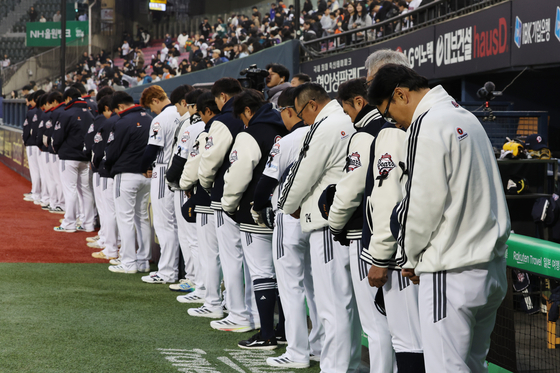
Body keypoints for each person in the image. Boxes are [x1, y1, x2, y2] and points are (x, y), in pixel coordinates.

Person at [368, 64, 510, 372]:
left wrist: (409, 258)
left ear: (400, 94)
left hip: (451, 268)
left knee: (446, 368)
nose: (395, 123)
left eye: (391, 114)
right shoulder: (465, 116)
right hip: (491, 269)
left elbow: (421, 204)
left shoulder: (427, 122)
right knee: (472, 366)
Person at [278, 83, 361, 372]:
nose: (303, 120)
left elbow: (301, 175)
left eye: (303, 113)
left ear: (312, 105)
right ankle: (348, 365)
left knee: (332, 305)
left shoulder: (326, 124)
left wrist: (285, 205)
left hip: (327, 223)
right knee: (346, 305)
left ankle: (336, 369)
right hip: (345, 220)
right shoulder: (343, 119)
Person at [326, 77, 396, 372]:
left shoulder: (365, 133)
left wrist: (333, 223)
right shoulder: (395, 128)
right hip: (398, 237)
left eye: (346, 108)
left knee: (376, 322)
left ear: (358, 102)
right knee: (396, 324)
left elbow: (351, 189)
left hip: (365, 236)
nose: (346, 116)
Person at [360, 49, 425, 373]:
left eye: (374, 83)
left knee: (409, 340)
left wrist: (381, 258)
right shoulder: (437, 118)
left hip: (402, 256)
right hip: (425, 254)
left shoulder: (392, 129)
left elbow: (388, 198)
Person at [253, 88, 324, 367]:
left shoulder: (290, 139)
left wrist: (258, 206)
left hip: (290, 215)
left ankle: (297, 353)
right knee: (318, 288)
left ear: (289, 110)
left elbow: (265, 185)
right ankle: (319, 347)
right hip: (318, 218)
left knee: (291, 286)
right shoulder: (322, 133)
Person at [223, 90, 289, 349]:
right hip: (283, 209)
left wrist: (229, 206)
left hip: (254, 210)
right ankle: (284, 330)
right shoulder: (286, 127)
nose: (242, 122)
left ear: (248, 111)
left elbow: (238, 173)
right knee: (285, 275)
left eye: (242, 116)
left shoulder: (249, 133)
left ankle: (267, 335)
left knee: (262, 273)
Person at [198, 78, 258, 333]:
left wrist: (207, 185)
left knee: (231, 257)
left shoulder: (223, 119)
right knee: (251, 261)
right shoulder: (253, 112)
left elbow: (210, 160)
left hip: (226, 194)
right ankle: (254, 316)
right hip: (252, 195)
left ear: (221, 96)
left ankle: (237, 314)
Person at [179, 91, 224, 312]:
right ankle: (215, 297)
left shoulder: (211, 128)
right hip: (224, 196)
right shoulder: (230, 125)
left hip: (208, 195)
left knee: (209, 251)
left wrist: (190, 186)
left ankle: (210, 297)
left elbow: (199, 165)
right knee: (222, 254)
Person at [104, 92, 152, 273]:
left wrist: (107, 167)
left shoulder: (122, 122)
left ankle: (129, 262)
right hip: (147, 175)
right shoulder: (149, 118)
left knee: (125, 218)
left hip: (126, 175)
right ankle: (143, 261)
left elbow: (111, 152)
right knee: (142, 218)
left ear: (119, 107)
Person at [139, 85, 182, 284]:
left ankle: (167, 271)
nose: (151, 110)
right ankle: (175, 271)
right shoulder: (183, 114)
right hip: (180, 170)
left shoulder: (161, 118)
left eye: (150, 106)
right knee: (175, 224)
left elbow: (151, 149)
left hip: (164, 169)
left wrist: (143, 166)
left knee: (164, 224)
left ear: (156, 100)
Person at [52, 88, 96, 233]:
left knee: (70, 190)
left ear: (69, 98)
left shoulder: (66, 113)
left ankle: (69, 223)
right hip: (85, 157)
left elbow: (57, 137)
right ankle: (88, 224)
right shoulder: (90, 113)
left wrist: (58, 150)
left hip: (69, 157)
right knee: (86, 190)